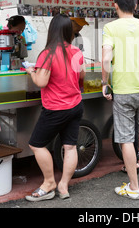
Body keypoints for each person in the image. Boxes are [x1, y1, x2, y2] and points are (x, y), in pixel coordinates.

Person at [102, 0, 139, 200]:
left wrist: (104, 83)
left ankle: (133, 187)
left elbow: (106, 60)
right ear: (136, 6)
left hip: (123, 91)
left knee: (126, 139)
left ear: (114, 4)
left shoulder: (111, 28)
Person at [25, 14, 85, 202]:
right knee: (70, 147)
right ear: (69, 31)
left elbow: (42, 82)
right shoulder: (77, 52)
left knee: (36, 144)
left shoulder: (47, 53)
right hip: (75, 105)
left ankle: (49, 183)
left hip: (55, 108)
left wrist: (31, 72)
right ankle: (64, 185)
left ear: (52, 31)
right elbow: (82, 77)